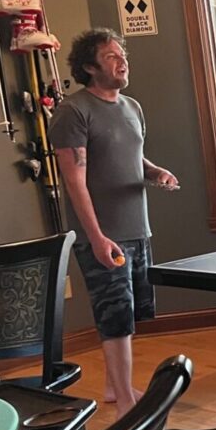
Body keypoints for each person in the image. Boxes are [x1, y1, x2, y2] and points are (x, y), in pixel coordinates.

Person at [51, 28, 178, 407]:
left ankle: (113, 386)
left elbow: (130, 156)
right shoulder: (72, 112)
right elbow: (74, 182)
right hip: (103, 236)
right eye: (111, 56)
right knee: (115, 316)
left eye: (122, 55)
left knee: (128, 314)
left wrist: (155, 173)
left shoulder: (132, 107)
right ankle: (124, 397)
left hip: (138, 230)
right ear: (89, 66)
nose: (121, 61)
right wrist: (97, 237)